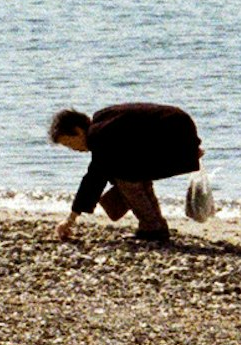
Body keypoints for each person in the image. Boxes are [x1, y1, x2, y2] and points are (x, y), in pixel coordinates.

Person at [48, 101, 201, 245]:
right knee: (127, 170)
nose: (73, 149)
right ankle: (156, 225)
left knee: (124, 175)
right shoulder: (102, 123)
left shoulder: (99, 134)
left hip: (175, 136)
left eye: (69, 143)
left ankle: (152, 228)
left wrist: (71, 218)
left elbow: (94, 178)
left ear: (78, 131)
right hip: (178, 130)